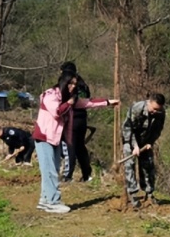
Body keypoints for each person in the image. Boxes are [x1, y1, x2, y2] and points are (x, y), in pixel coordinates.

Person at [32, 72, 118, 214]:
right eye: (70, 83)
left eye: (74, 84)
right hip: (44, 138)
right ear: (62, 82)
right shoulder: (51, 95)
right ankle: (53, 201)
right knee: (50, 171)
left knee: (51, 169)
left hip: (55, 138)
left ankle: (45, 199)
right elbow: (57, 112)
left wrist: (108, 102)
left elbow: (87, 103)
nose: (72, 87)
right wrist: (70, 103)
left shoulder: (68, 98)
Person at [121, 93, 166, 208]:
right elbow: (128, 128)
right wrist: (134, 146)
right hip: (130, 138)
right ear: (148, 102)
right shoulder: (137, 109)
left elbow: (158, 129)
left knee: (148, 166)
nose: (155, 112)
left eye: (158, 109)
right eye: (154, 109)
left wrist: (150, 142)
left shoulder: (161, 113)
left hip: (146, 141)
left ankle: (149, 193)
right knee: (129, 165)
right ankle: (133, 194)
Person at [59, 62, 96, 182]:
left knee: (70, 146)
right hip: (82, 119)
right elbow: (88, 99)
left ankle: (68, 175)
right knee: (80, 146)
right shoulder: (83, 84)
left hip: (72, 118)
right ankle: (87, 174)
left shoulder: (70, 84)